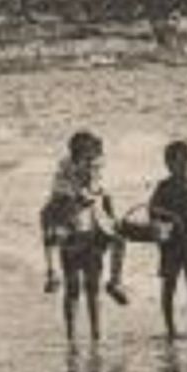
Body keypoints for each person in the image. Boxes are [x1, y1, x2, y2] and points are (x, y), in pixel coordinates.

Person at [44, 131, 128, 341]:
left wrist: (112, 217)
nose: (92, 168)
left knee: (93, 288)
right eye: (87, 161)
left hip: (93, 235)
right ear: (75, 160)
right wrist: (80, 198)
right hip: (71, 237)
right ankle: (71, 335)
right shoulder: (63, 179)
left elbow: (105, 198)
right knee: (73, 289)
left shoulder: (96, 176)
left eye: (95, 163)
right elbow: (56, 209)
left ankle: (114, 285)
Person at [147, 141, 187, 340]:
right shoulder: (163, 187)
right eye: (176, 162)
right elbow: (152, 210)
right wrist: (169, 218)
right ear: (168, 164)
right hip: (170, 246)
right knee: (169, 287)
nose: (181, 166)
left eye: (185, 161)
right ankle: (170, 329)